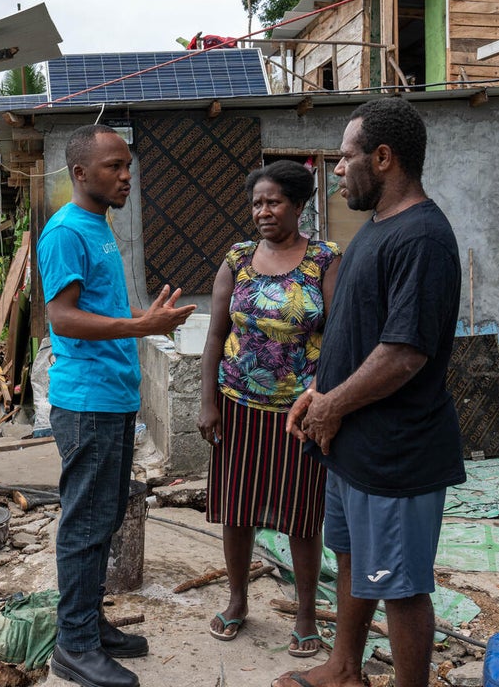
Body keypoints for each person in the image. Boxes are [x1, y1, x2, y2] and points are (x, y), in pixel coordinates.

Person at [273, 98, 465, 687]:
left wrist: (333, 403)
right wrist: (317, 391)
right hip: (354, 442)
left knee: (401, 587)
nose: (335, 170)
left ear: (383, 158)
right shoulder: (376, 230)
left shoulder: (424, 238)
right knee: (353, 561)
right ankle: (344, 670)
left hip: (397, 451)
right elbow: (358, 334)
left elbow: (404, 353)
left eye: (345, 157)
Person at [37, 124, 196, 687]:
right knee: (85, 523)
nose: (127, 176)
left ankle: (89, 623)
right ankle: (74, 646)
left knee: (103, 518)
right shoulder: (65, 231)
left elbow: (96, 306)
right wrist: (140, 324)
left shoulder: (98, 225)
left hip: (111, 397)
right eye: (113, 167)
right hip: (87, 403)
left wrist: (140, 319)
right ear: (80, 174)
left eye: (128, 165)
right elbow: (62, 317)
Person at [197, 160, 340, 657]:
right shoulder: (237, 259)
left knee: (302, 515)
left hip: (299, 415)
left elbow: (339, 335)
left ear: (299, 206)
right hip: (237, 407)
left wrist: (323, 398)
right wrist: (207, 401)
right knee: (237, 512)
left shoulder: (324, 259)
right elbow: (217, 333)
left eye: (274, 201)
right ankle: (237, 600)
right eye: (257, 202)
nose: (263, 211)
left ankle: (304, 612)